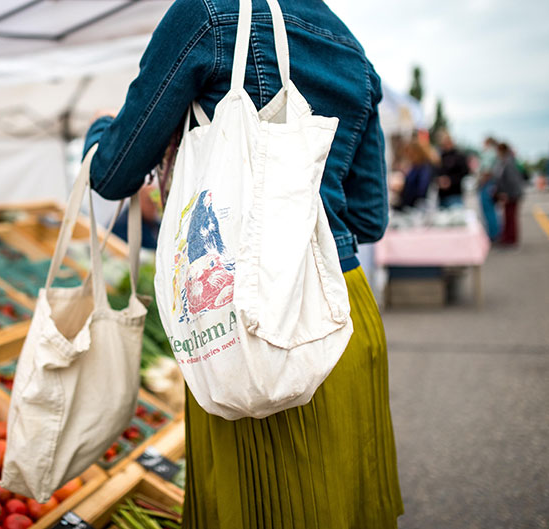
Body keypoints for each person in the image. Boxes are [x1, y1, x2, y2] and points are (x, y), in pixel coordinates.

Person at [83, 0, 403, 527]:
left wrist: (99, 132)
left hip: (251, 329)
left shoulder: (207, 13)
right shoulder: (350, 46)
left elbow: (115, 172)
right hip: (343, 312)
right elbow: (368, 219)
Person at [493, 142, 524, 245]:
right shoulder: (505, 161)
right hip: (509, 193)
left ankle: (511, 239)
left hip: (512, 194)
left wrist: (506, 193)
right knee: (507, 216)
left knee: (510, 217)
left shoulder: (508, 162)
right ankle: (507, 237)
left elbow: (511, 180)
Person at [395, 139, 435, 210]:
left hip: (417, 207)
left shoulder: (424, 168)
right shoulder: (414, 167)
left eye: (410, 153)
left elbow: (421, 190)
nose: (408, 156)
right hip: (409, 205)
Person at [436, 130, 470, 208]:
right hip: (442, 195)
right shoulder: (440, 156)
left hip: (455, 194)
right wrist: (439, 180)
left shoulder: (459, 156)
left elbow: (465, 172)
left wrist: (450, 181)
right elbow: (435, 172)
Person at [478, 137, 501, 240]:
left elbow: (486, 170)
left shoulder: (489, 153)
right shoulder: (496, 154)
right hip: (492, 183)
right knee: (493, 210)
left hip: (487, 183)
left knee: (488, 210)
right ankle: (495, 233)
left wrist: (481, 182)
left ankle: (493, 234)